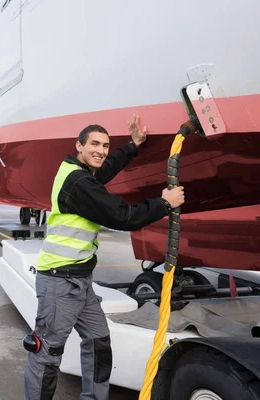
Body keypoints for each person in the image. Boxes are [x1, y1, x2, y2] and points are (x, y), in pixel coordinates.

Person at [23, 114, 185, 400]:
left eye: (106, 145)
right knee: (46, 352)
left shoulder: (79, 170)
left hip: (81, 283)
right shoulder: (78, 182)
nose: (101, 150)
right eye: (94, 144)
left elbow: (106, 168)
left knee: (98, 342)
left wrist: (133, 145)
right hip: (60, 283)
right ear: (79, 146)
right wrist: (164, 203)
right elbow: (122, 216)